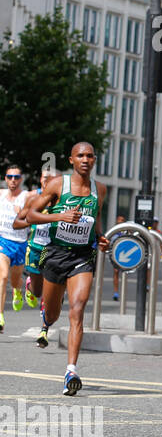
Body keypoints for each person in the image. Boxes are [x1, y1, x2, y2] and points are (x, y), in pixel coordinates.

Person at [24, 143, 109, 393]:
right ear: (71, 160)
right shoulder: (57, 185)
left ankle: (71, 370)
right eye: (80, 155)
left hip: (82, 257)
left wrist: (101, 238)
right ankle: (46, 319)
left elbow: (97, 221)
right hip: (55, 254)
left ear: (94, 160)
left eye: (90, 156)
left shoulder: (100, 190)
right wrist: (58, 217)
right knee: (52, 314)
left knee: (78, 308)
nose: (85, 159)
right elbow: (30, 215)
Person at [18, 170, 58, 308]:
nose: (48, 181)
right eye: (45, 178)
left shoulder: (62, 202)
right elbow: (17, 223)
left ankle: (45, 307)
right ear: (40, 179)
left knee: (51, 282)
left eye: (52, 179)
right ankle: (30, 286)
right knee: (37, 291)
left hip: (53, 250)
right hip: (35, 248)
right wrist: (34, 220)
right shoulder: (34, 200)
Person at [0, 165, 32, 327]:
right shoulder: (1, 194)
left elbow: (46, 193)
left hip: (20, 244)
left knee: (14, 281)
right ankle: (0, 317)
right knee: (3, 276)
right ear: (5, 178)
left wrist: (23, 212)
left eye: (16, 177)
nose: (13, 180)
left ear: (21, 179)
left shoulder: (27, 196)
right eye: (10, 177)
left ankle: (19, 290)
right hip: (3, 241)